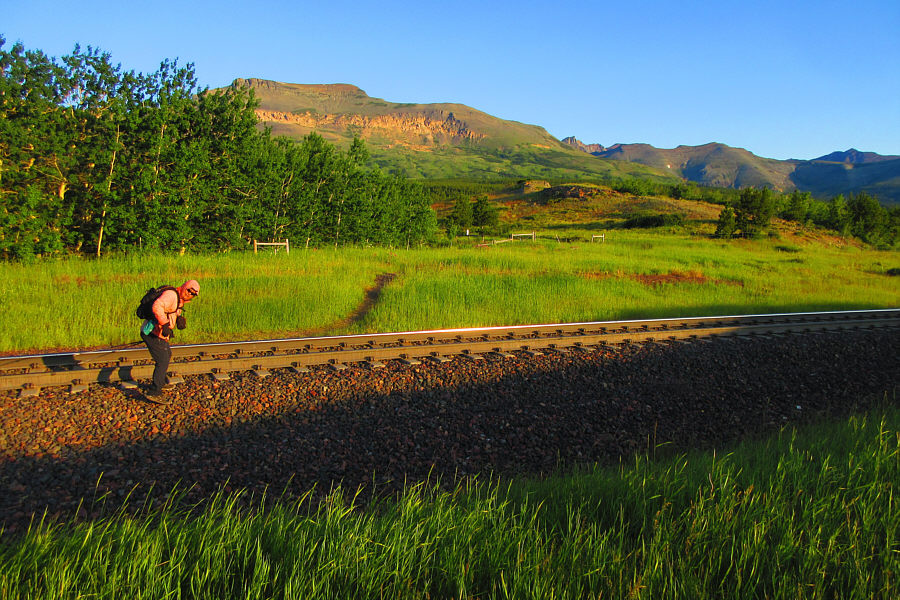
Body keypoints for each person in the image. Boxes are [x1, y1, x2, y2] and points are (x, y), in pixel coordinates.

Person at [140, 279, 199, 399]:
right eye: (189, 290)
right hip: (152, 332)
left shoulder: (179, 298)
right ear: (184, 287)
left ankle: (160, 382)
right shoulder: (171, 295)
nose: (189, 294)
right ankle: (155, 391)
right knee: (162, 360)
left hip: (160, 333)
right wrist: (165, 323)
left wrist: (178, 319)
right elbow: (157, 306)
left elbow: (172, 310)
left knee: (167, 354)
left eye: (193, 293)